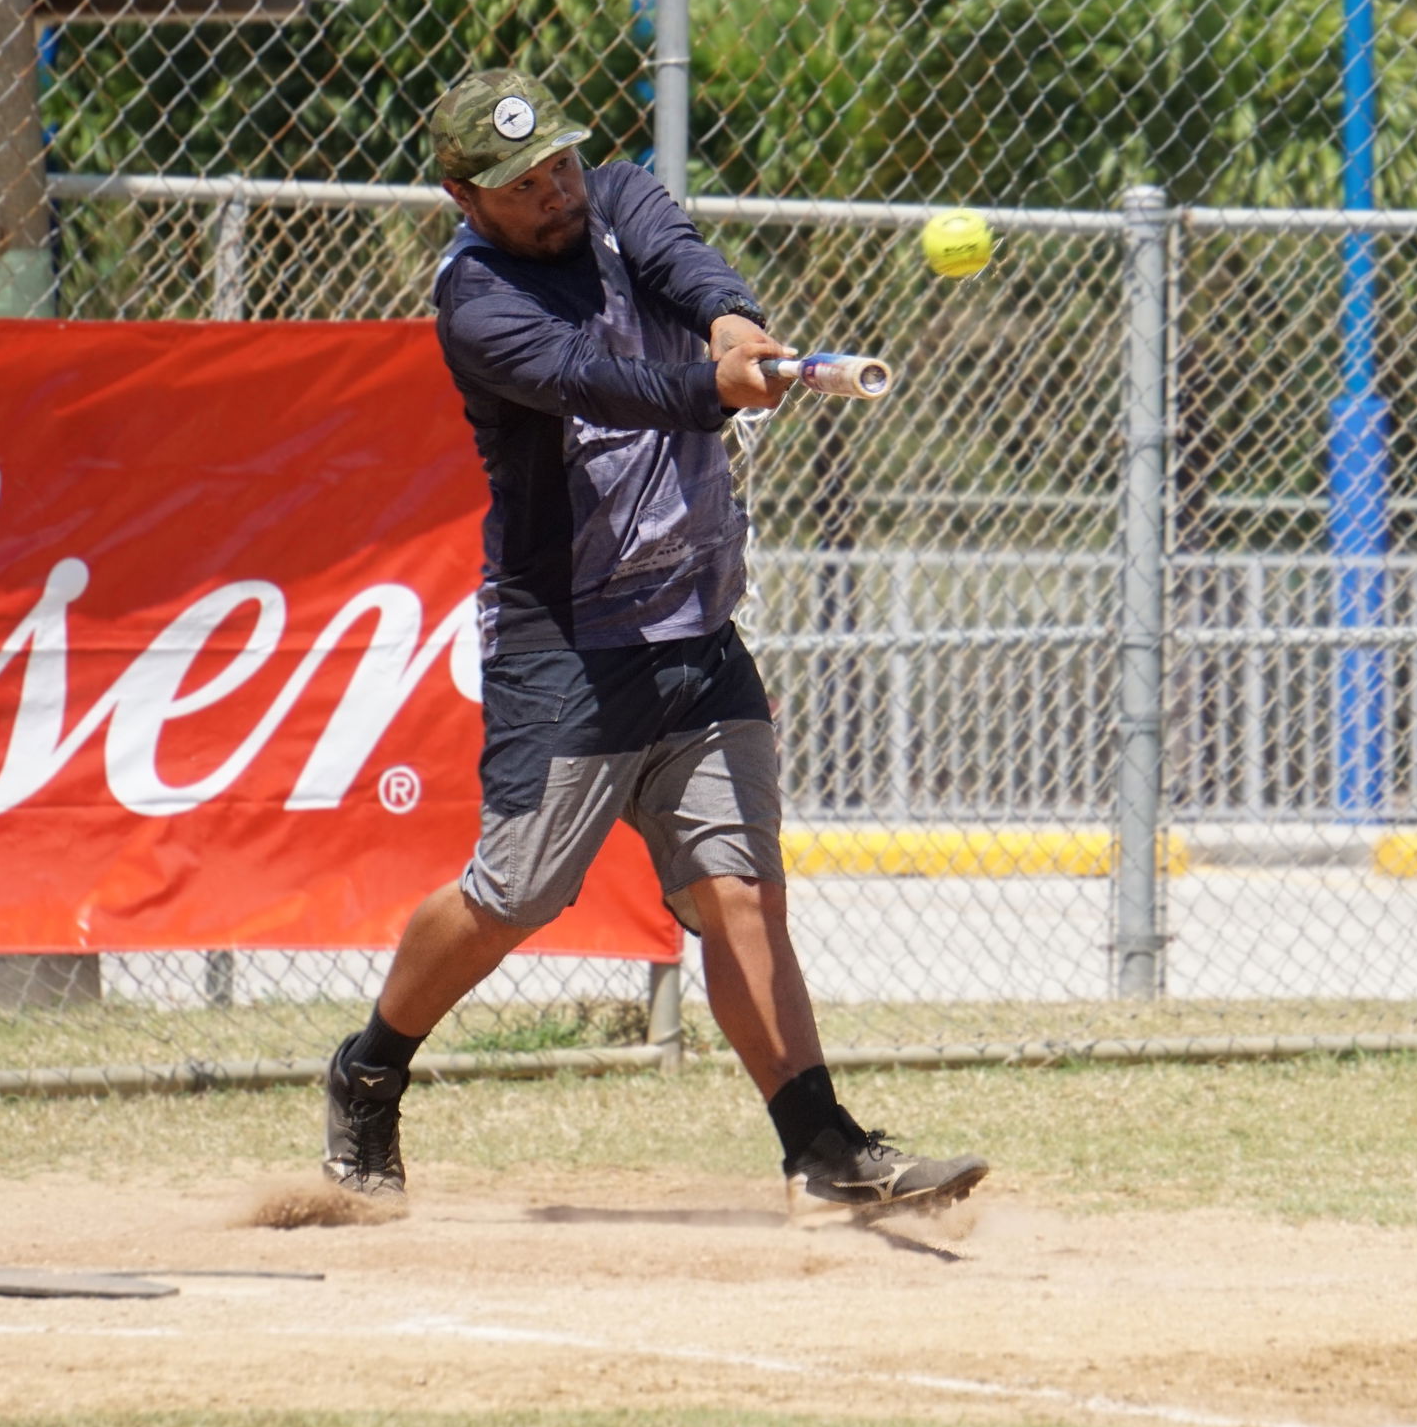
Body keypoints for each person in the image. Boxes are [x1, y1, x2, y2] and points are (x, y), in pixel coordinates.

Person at [322, 67, 989, 1224]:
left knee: (740, 893)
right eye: (520, 186)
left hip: (695, 628)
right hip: (568, 648)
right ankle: (370, 1066)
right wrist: (714, 388)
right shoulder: (475, 298)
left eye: (560, 167)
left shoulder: (619, 198)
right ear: (463, 198)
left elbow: (689, 269)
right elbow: (593, 381)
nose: (554, 193)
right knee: (515, 897)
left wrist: (734, 327)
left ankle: (821, 1146)